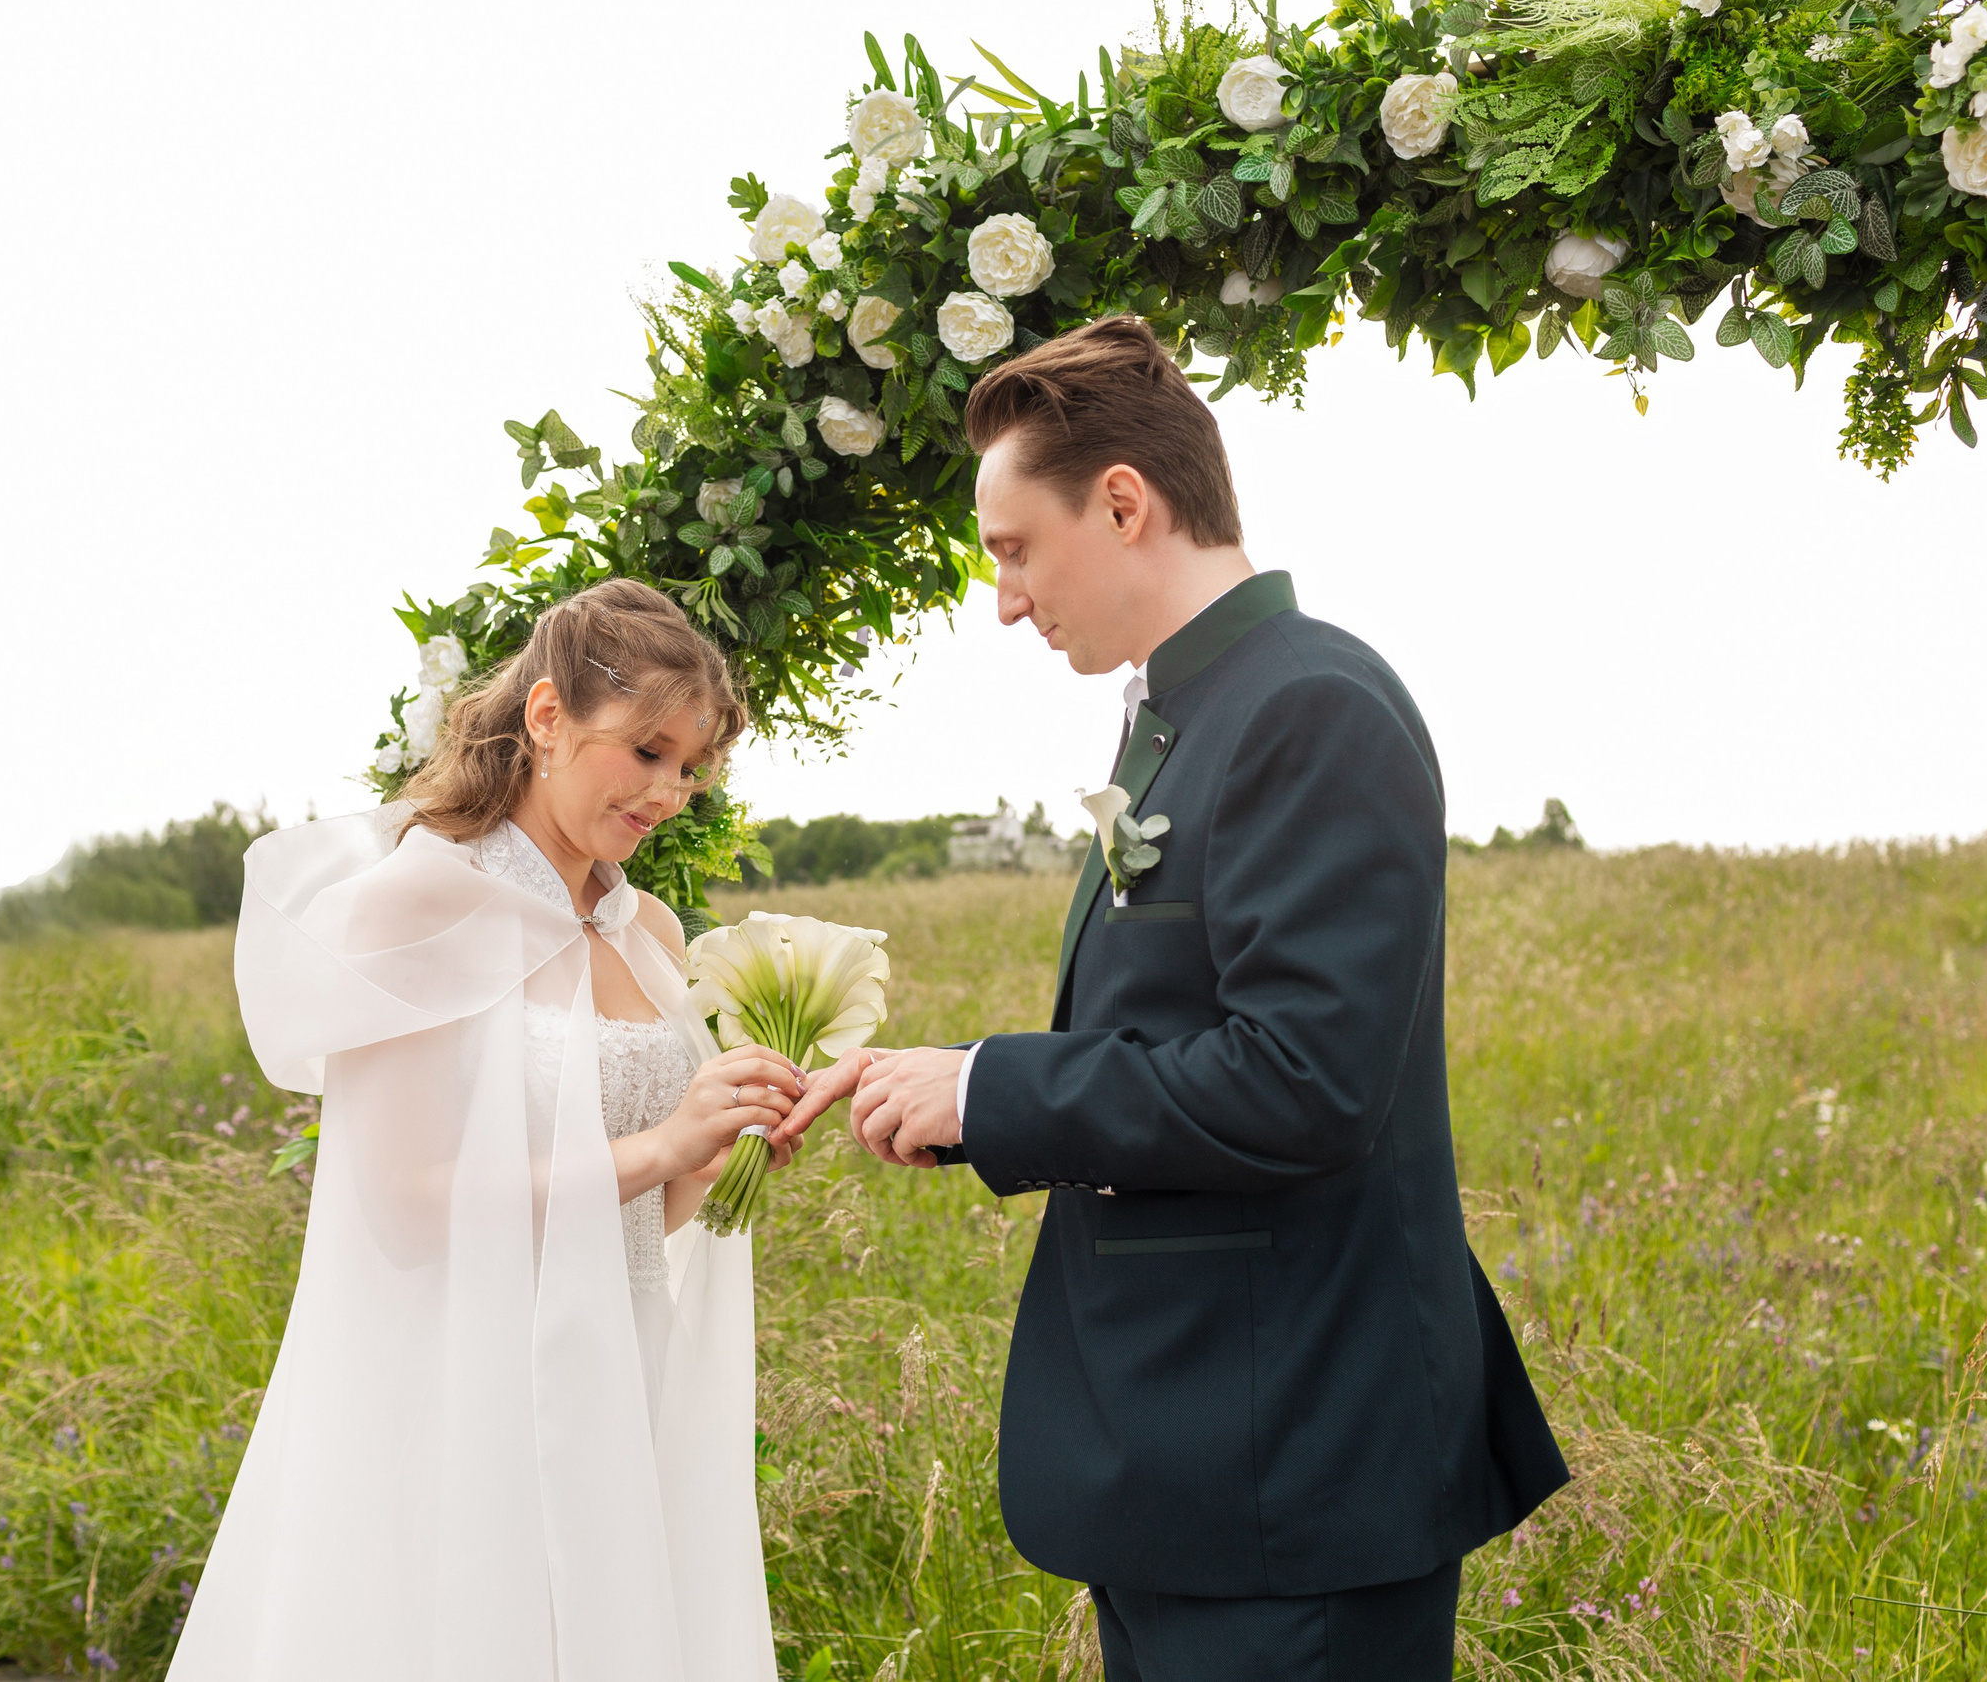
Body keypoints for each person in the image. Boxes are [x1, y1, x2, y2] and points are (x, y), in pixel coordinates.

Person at [783, 316, 1571, 1681]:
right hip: (1200, 1463)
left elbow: (1302, 1079)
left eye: (1017, 547)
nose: (1007, 598)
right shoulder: (1186, 717)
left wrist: (989, 1085)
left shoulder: (1312, 704)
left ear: (1127, 502)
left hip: (1292, 1467)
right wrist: (967, 1094)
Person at [171, 579, 796, 1681]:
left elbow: (648, 1201)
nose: (669, 793)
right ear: (547, 718)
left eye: (692, 768)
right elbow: (407, 1194)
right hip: (472, 1380)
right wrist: (658, 1146)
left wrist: (718, 1144)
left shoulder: (643, 925)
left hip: (626, 1358)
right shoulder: (414, 903)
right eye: (646, 750)